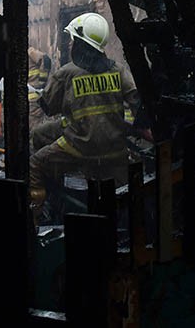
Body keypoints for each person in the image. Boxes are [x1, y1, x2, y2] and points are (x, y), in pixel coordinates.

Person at [29, 12, 140, 217]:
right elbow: (137, 102)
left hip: (80, 145)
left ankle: (36, 217)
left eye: (73, 40)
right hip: (115, 146)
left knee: (35, 163)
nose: (71, 45)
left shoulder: (67, 73)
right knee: (40, 134)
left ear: (80, 43)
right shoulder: (118, 70)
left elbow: (48, 107)